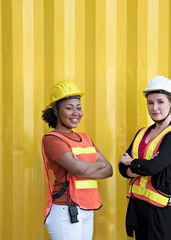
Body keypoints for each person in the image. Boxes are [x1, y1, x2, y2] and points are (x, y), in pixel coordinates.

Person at [41, 80, 113, 240]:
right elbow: (78, 168)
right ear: (55, 110)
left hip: (87, 210)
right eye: (69, 108)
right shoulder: (53, 139)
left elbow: (108, 169)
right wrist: (97, 164)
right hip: (65, 211)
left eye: (78, 107)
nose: (76, 112)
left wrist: (87, 166)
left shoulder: (85, 138)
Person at [118, 76, 171, 240]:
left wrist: (132, 163)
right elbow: (122, 167)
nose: (154, 107)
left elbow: (153, 167)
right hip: (139, 209)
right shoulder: (142, 133)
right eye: (150, 102)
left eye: (160, 102)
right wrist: (140, 166)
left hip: (162, 214)